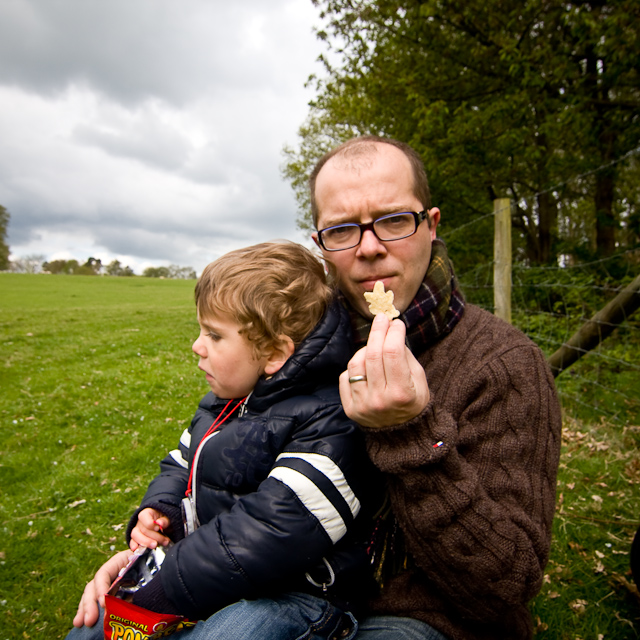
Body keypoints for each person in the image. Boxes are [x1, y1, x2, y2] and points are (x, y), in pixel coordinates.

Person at [307, 135, 563, 640]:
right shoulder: (297, 348)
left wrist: (408, 433)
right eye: (341, 230)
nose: (370, 247)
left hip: (426, 616)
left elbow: (503, 586)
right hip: (298, 595)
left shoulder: (505, 364)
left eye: (395, 220)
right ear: (320, 244)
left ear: (432, 225)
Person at [67, 241, 381, 640]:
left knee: (237, 631)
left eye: (214, 335)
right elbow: (181, 463)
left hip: (298, 598)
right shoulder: (224, 404)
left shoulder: (330, 420)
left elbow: (272, 529)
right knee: (97, 623)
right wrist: (159, 510)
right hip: (210, 578)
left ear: (272, 353)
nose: (197, 346)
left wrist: (168, 582)